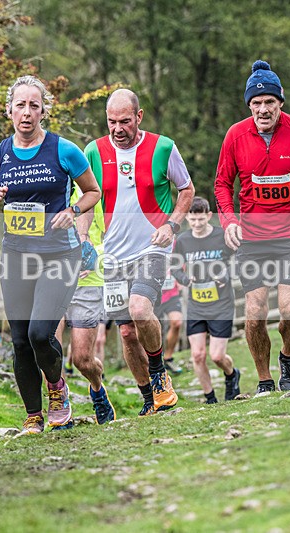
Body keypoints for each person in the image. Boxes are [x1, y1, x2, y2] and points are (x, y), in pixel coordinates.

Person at [0, 75, 100, 435]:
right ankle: (33, 416)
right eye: (20, 105)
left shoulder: (63, 150)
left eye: (34, 106)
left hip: (60, 255)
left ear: (43, 112)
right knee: (21, 340)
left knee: (41, 333)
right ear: (9, 110)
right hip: (17, 258)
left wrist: (72, 210)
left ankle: (57, 389)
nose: (27, 112)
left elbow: (93, 191)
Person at [214, 60, 290, 394]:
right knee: (254, 313)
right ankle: (265, 380)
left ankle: (288, 356)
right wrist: (229, 221)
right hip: (252, 239)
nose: (263, 109)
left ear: (280, 102)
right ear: (249, 105)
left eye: (269, 101)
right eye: (256, 103)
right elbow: (222, 183)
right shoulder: (235, 136)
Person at [85, 88, 195, 416]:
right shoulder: (93, 151)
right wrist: (84, 239)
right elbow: (87, 198)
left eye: (125, 121)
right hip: (113, 255)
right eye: (111, 122)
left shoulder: (163, 147)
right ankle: (150, 398)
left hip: (153, 248)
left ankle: (159, 373)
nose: (118, 129)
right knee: (127, 332)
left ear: (139, 116)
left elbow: (186, 189)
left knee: (140, 308)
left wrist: (172, 225)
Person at [171, 197, 241, 403]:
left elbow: (241, 259)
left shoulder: (222, 235)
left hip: (222, 304)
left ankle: (231, 374)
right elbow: (175, 267)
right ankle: (210, 398)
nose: (197, 224)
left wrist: (226, 275)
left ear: (209, 216)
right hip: (196, 305)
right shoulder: (183, 240)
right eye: (192, 220)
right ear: (187, 218)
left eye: (201, 219)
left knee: (217, 356)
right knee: (198, 355)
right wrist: (185, 279)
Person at [59, 184, 115, 424]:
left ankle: (97, 389)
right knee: (49, 348)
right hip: (53, 279)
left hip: (87, 281)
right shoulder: (42, 189)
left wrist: (91, 260)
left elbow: (104, 238)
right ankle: (60, 407)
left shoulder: (88, 191)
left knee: (82, 359)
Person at [154, 271, 184, 374]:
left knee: (177, 322)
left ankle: (168, 358)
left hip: (171, 295)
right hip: (153, 297)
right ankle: (155, 362)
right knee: (153, 329)